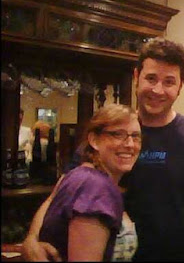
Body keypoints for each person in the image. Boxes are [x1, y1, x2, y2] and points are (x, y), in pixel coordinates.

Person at [22, 37, 184, 261]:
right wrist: (31, 240)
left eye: (169, 82)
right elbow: (58, 195)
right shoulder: (108, 140)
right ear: (137, 77)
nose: (157, 90)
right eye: (151, 78)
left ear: (180, 86)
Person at [22, 104, 142, 261]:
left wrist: (31, 239)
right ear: (94, 140)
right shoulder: (94, 187)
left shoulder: (84, 175)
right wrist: (31, 239)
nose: (130, 144)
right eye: (117, 135)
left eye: (135, 136)